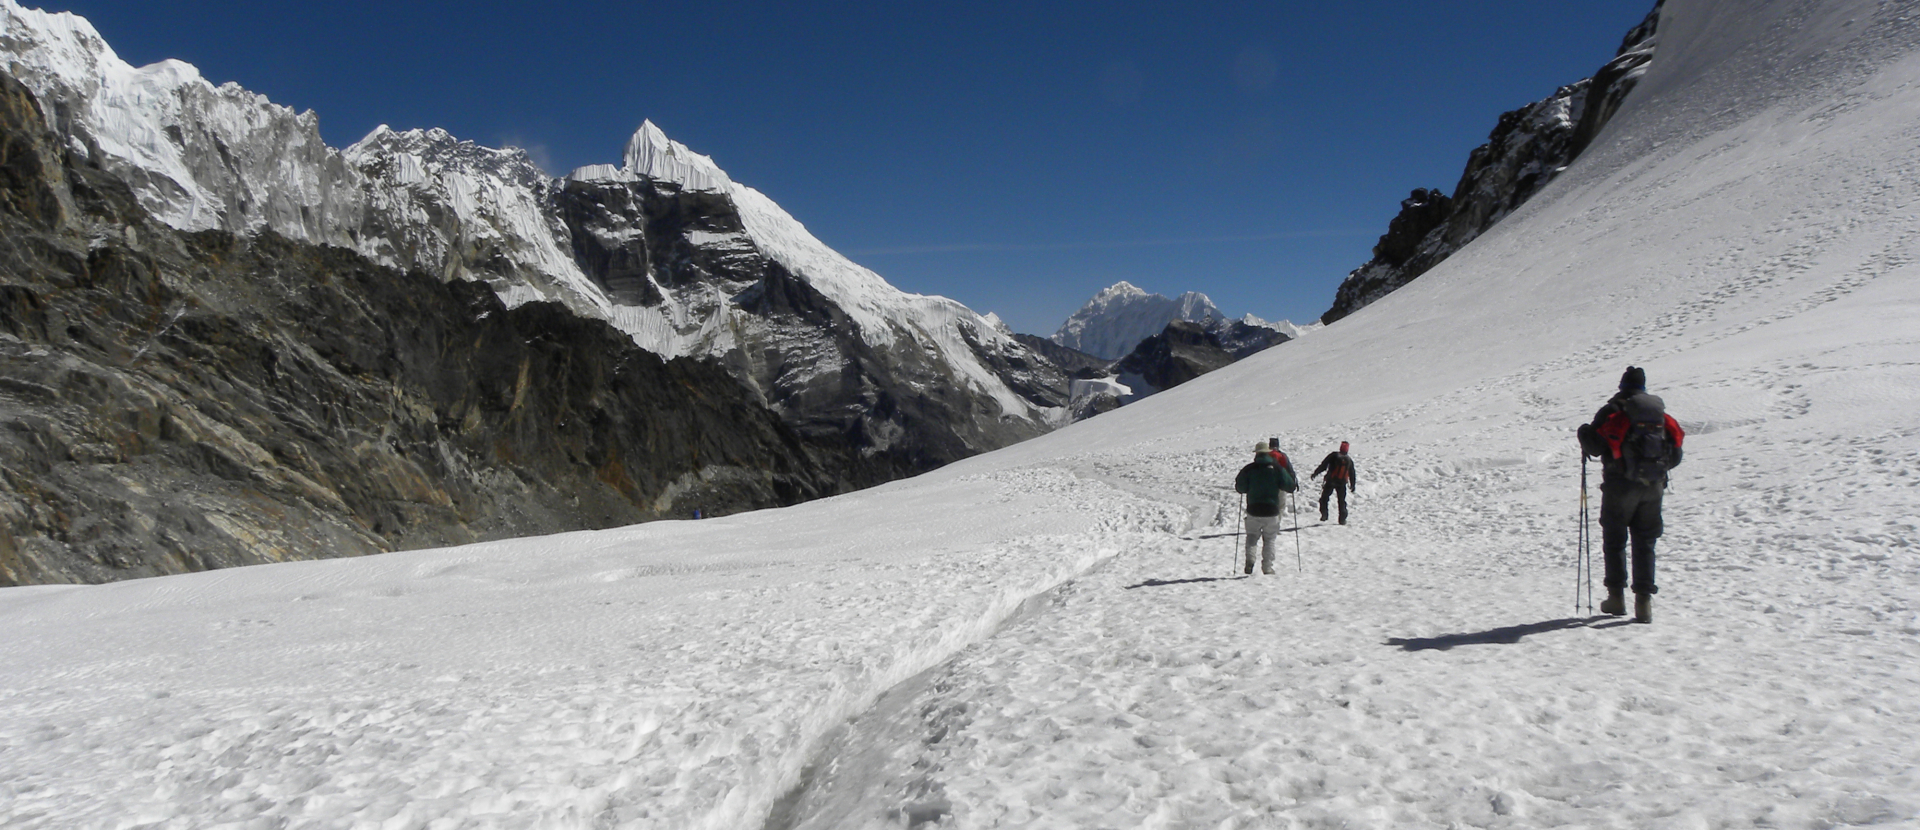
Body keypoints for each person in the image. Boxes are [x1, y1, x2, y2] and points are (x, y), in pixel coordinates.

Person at [1578, 366, 1685, 623]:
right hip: (1653, 488)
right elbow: (1676, 455)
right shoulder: (1659, 415)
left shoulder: (1613, 411)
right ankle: (1644, 604)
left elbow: (1595, 445)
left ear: (1622, 386)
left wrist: (1583, 433)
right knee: (1645, 541)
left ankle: (1616, 598)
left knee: (1615, 540)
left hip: (1619, 488)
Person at [1234, 441, 1287, 575]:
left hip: (1253, 509)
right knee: (1269, 539)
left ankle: (1250, 559)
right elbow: (1289, 485)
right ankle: (1267, 568)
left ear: (1256, 453)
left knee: (1252, 536)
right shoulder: (1277, 468)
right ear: (1268, 453)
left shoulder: (1249, 469)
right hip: (1272, 511)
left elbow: (1240, 488)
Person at [1311, 442, 1358, 524]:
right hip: (1342, 482)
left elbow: (1324, 465)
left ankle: (1324, 514)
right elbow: (1352, 473)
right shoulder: (1349, 460)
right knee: (1341, 501)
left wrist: (1316, 473)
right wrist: (1353, 485)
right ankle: (1342, 519)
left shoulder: (1333, 455)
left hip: (1331, 481)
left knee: (1324, 498)